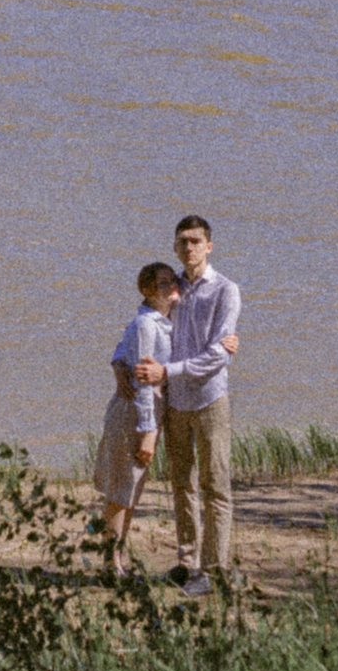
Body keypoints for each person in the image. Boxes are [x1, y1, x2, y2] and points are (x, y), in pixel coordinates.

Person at [161, 216, 241, 597]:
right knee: (181, 484)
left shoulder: (226, 290)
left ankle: (213, 570)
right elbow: (146, 322)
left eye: (195, 241)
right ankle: (188, 562)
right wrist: (121, 363)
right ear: (175, 248)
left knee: (216, 485)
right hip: (175, 401)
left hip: (210, 399)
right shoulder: (170, 289)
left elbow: (219, 355)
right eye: (183, 242)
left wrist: (169, 370)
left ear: (209, 246)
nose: (189, 247)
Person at [95, 260, 179, 571]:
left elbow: (122, 348)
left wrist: (117, 362)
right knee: (121, 492)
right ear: (147, 290)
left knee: (130, 490)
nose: (171, 287)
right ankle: (110, 564)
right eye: (163, 283)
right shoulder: (146, 324)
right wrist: (148, 431)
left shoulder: (165, 319)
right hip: (133, 412)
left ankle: (116, 560)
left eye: (173, 281)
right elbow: (143, 382)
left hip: (147, 411)